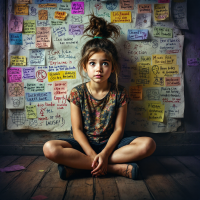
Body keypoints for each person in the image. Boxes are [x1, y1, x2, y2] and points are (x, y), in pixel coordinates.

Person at [43, 14, 156, 180]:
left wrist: (104, 153)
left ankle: (79, 168)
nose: (99, 69)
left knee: (149, 144)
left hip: (112, 146)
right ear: (84, 66)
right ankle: (115, 169)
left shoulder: (120, 93)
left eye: (105, 63)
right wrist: (91, 153)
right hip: (84, 146)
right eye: (92, 63)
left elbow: (119, 129)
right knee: (49, 148)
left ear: (113, 67)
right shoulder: (77, 93)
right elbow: (77, 131)